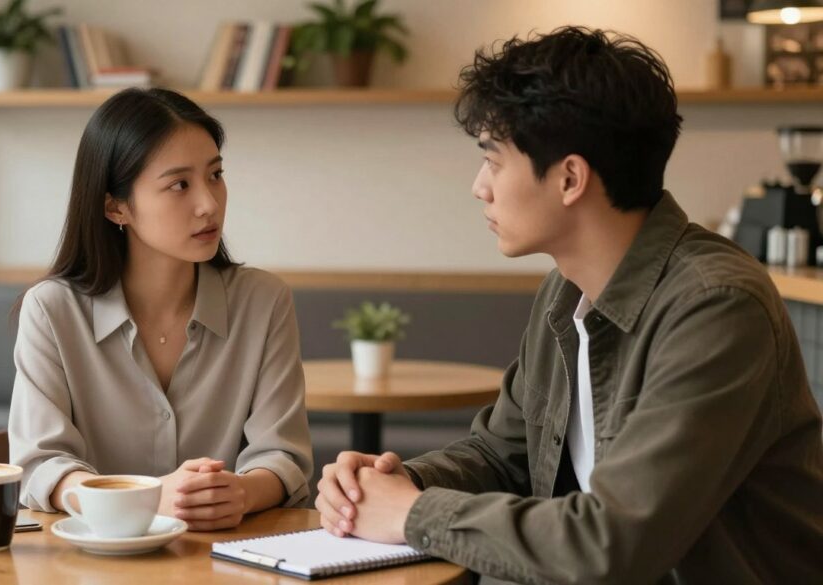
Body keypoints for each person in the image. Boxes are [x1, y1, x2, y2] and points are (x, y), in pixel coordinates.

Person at [316, 26, 823, 583]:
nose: (479, 187)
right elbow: (499, 455)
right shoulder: (565, 291)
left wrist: (411, 514)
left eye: (494, 159)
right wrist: (390, 483)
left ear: (570, 179)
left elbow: (613, 543)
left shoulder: (717, 307)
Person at [9, 88, 313, 531]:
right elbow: (41, 465)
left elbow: (283, 455)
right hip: (90, 563)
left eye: (215, 175)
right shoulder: (52, 311)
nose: (209, 203)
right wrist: (142, 499)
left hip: (227, 559)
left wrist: (239, 492)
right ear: (116, 206)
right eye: (179, 185)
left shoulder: (263, 301)